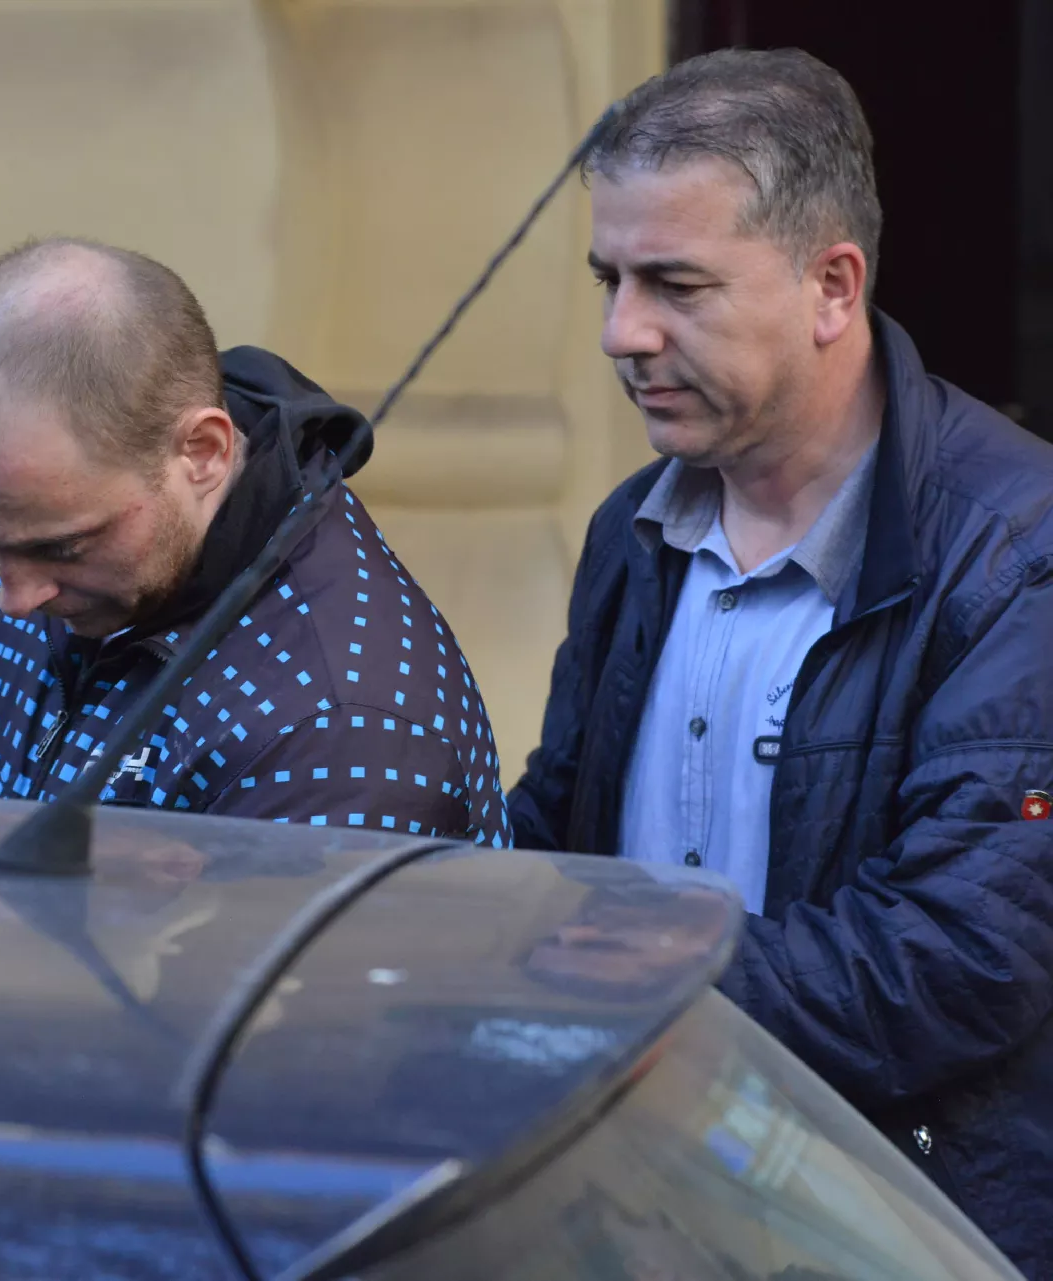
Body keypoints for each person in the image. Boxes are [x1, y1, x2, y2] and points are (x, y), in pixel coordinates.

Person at [506, 48, 1053, 1272]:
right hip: (633, 1211)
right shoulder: (632, 530)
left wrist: (629, 972)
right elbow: (563, 822)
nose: (622, 332)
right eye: (609, 279)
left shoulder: (1018, 553)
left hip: (894, 1233)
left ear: (832, 286)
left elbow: (961, 962)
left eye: (676, 284)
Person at [0, 237, 509, 843]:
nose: (16, 600)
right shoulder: (63, 540)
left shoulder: (341, 730)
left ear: (204, 453)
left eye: (61, 547)